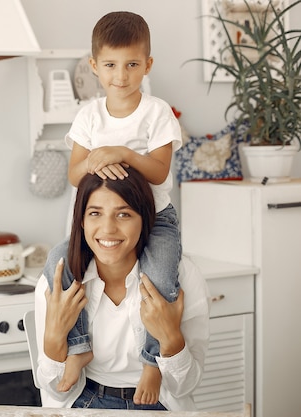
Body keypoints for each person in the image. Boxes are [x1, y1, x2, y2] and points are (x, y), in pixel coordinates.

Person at [51, 11, 183, 403]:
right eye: (110, 65)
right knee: (58, 267)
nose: (120, 76)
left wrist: (124, 154)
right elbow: (75, 175)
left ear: (147, 65)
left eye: (131, 65)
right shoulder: (89, 116)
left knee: (159, 278)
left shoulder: (157, 113)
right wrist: (94, 160)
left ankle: (151, 362)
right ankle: (78, 348)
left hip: (155, 219)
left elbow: (158, 173)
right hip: (100, 223)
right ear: (94, 66)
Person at [35, 169, 209, 410]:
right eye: (95, 213)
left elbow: (185, 386)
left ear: (145, 219)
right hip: (86, 401)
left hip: (160, 403)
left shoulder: (182, 276)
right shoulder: (57, 281)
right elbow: (55, 388)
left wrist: (170, 338)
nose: (108, 229)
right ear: (82, 220)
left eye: (124, 214)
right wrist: (54, 337)